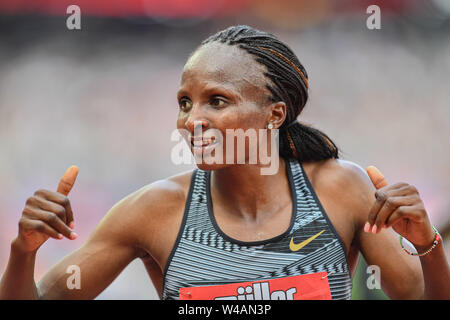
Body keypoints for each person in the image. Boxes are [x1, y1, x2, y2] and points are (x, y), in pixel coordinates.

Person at [0, 25, 449, 300]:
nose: (193, 121)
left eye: (217, 101)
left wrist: (428, 245)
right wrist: (23, 253)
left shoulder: (341, 190)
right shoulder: (154, 211)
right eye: (184, 102)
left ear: (275, 113)